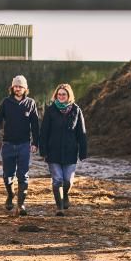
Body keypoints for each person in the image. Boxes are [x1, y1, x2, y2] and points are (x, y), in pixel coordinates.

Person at [0, 75, 39, 216]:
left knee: (23, 175)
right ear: (12, 88)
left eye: (20, 86)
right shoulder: (6, 102)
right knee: (7, 175)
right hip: (8, 144)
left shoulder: (31, 103)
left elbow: (35, 125)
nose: (17, 89)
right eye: (15, 86)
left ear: (25, 89)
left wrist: (35, 142)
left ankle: (21, 204)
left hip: (24, 144)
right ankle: (11, 194)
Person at [38, 83, 87, 216]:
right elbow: (44, 132)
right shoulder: (51, 110)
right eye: (59, 94)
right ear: (56, 95)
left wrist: (83, 152)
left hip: (70, 152)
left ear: (68, 95)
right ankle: (59, 207)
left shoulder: (76, 110)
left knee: (68, 181)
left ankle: (65, 195)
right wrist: (42, 150)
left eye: (63, 94)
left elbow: (81, 133)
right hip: (53, 152)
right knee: (57, 180)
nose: (61, 96)